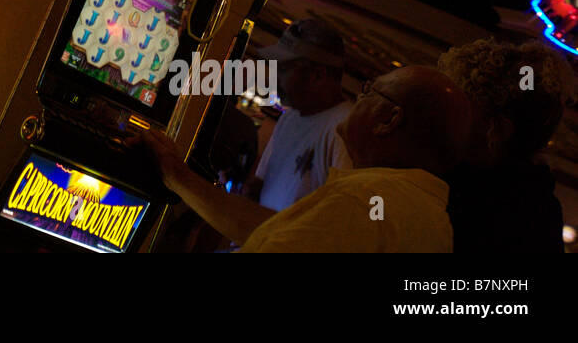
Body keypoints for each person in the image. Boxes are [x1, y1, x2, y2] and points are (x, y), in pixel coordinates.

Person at [136, 65, 472, 252]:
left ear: (389, 120)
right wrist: (177, 175)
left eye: (369, 90)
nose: (358, 99)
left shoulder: (363, 201)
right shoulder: (428, 217)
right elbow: (276, 231)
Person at [438, 39, 576, 253]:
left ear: (496, 129)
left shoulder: (457, 193)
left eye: (461, 107)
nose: (443, 116)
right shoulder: (539, 211)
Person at [248, 19, 351, 211]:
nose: (275, 77)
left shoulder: (345, 131)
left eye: (284, 69)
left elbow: (336, 217)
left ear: (317, 75)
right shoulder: (290, 116)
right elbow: (263, 184)